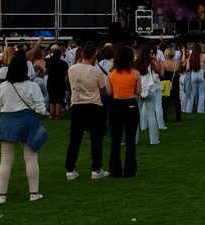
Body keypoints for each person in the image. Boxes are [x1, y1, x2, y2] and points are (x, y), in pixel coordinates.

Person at [0, 56, 49, 202]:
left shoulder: (3, 86)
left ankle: (1, 195)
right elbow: (42, 109)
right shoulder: (32, 86)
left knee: (5, 160)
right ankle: (34, 193)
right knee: (30, 158)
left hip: (7, 122)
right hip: (28, 122)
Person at [65, 44, 110, 180]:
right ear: (94, 56)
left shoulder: (72, 69)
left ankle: (70, 169)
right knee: (96, 139)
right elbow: (103, 90)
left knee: (75, 139)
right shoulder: (96, 71)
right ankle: (96, 169)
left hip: (77, 106)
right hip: (94, 106)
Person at [105, 46, 142, 177]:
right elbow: (138, 92)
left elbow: (109, 92)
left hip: (116, 104)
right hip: (131, 104)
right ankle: (130, 171)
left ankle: (115, 171)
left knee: (116, 139)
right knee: (130, 140)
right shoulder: (135, 73)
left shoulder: (111, 73)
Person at [137, 45, 163, 146]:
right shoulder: (151, 63)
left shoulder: (136, 64)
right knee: (151, 115)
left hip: (138, 90)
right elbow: (158, 71)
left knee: (136, 116)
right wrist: (156, 61)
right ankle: (154, 140)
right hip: (150, 89)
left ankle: (134, 140)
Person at [45, 48, 68, 120]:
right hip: (59, 82)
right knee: (59, 98)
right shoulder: (63, 63)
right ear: (60, 55)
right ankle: (58, 114)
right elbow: (67, 73)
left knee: (52, 98)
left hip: (50, 82)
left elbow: (45, 71)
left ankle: (51, 113)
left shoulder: (49, 62)